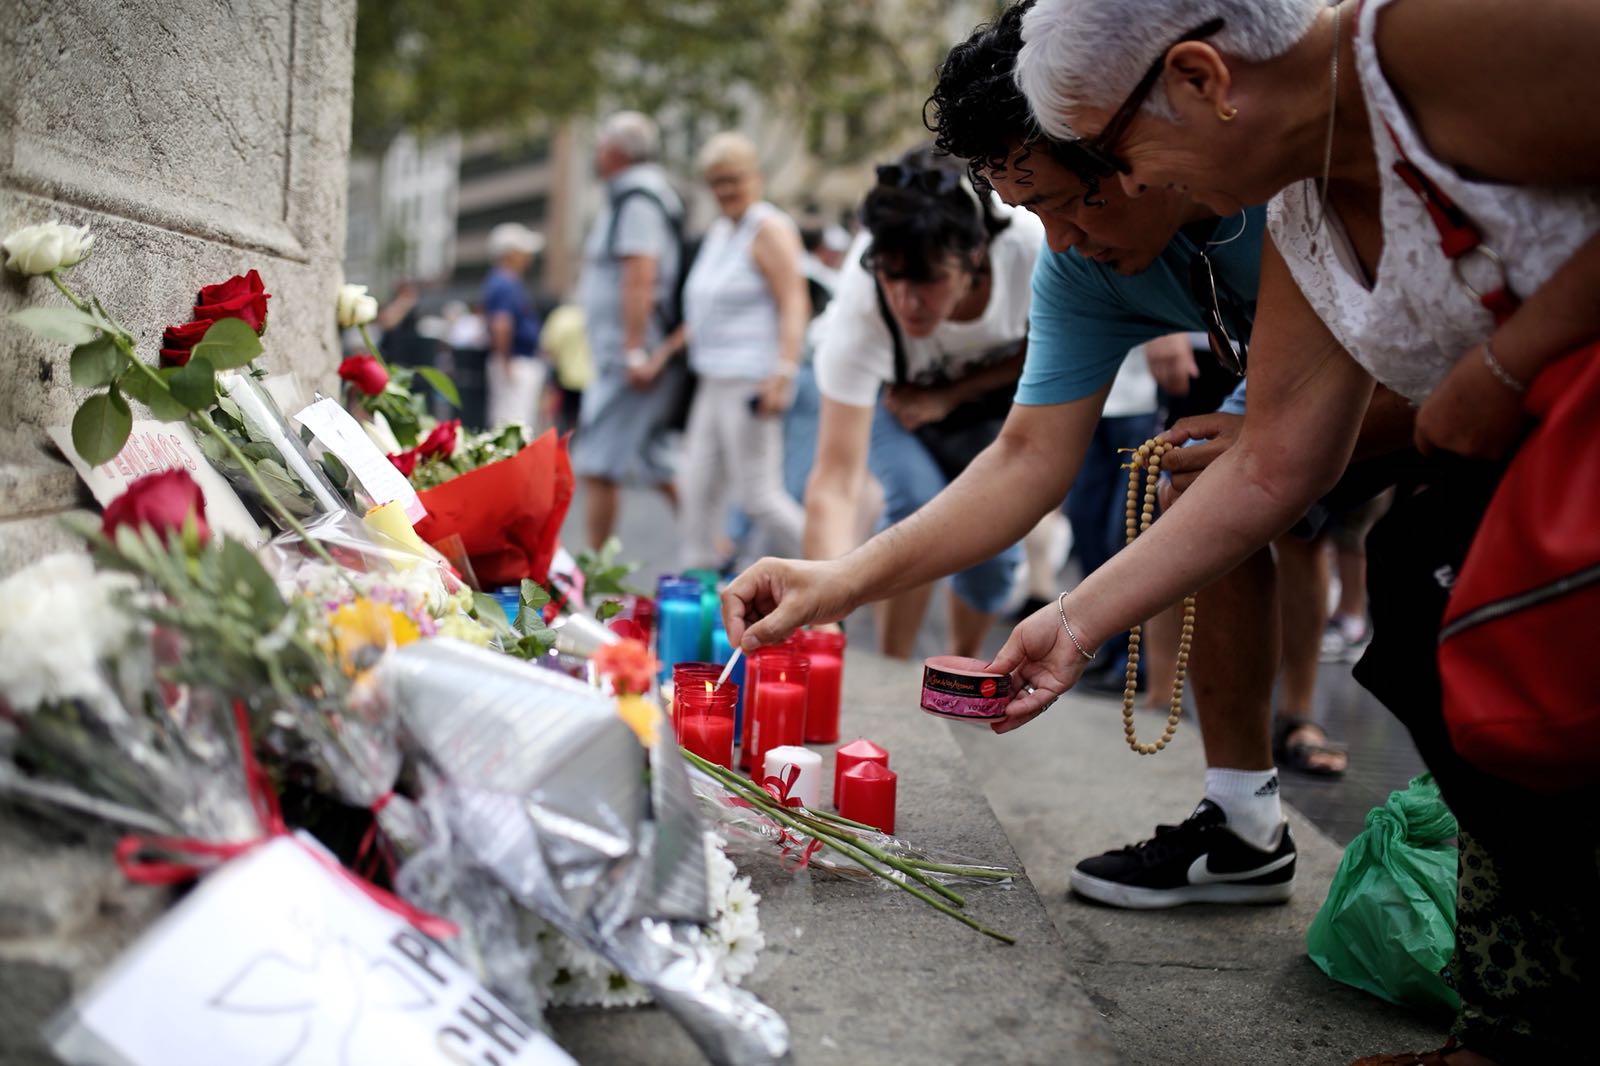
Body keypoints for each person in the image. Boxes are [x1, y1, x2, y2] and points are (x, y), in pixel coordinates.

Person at [1008, 1, 1600, 1060]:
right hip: (1528, 503)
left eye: (1114, 153)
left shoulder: (1429, 44)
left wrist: (1506, 367)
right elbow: (1274, 463)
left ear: (1199, 79)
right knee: (1439, 646)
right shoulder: (1301, 208)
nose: (1126, 188)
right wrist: (1077, 622)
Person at [724, 3, 1400, 909]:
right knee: (1202, 481)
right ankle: (1243, 822)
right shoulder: (1082, 258)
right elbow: (1025, 459)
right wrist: (841, 580)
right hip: (1325, 395)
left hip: (1444, 386)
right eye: (1029, 210)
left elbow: (1439, 361)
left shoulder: (1289, 173)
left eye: (1067, 197)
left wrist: (1272, 432)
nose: (1061, 239)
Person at [804, 145, 1044, 659]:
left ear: (974, 256)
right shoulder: (861, 303)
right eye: (893, 277)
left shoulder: (1030, 248)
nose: (908, 302)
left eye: (929, 280)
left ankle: (959, 666)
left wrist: (950, 394)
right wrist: (821, 622)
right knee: (915, 503)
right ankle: (893, 665)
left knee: (993, 549)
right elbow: (835, 482)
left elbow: (1052, 347)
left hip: (987, 405)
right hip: (897, 404)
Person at [631, 132, 809, 569]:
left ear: (756, 177)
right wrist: (660, 357)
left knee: (758, 497)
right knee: (696, 491)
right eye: (717, 182)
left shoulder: (769, 229)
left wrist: (784, 372)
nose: (726, 190)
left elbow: (794, 301)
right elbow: (703, 314)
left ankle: (840, 569)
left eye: (734, 179)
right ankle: (700, 582)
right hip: (711, 379)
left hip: (751, 379)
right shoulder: (720, 233)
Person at [573, 111, 686, 550]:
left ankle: (593, 569)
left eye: (601, 145)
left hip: (630, 360)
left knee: (597, 462)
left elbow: (641, 273)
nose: (596, 153)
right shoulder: (631, 198)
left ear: (616, 151)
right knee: (656, 463)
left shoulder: (638, 200)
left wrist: (634, 350)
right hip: (627, 355)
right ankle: (712, 547)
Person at [482, 222, 548, 429]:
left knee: (513, 420)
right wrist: (506, 363)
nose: (528, 257)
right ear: (511, 253)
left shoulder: (504, 281)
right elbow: (501, 324)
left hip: (514, 360)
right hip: (515, 360)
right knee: (514, 423)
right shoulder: (505, 283)